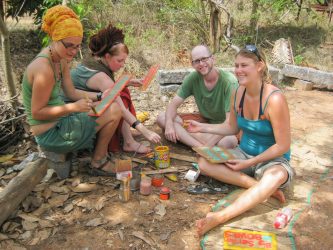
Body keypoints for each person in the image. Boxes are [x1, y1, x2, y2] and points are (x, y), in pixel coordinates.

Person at [187, 45, 295, 236]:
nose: (238, 70)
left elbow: (283, 145)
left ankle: (220, 216)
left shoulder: (275, 98)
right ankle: (257, 187)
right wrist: (202, 127)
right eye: (236, 65)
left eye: (244, 65)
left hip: (273, 160)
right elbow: (232, 128)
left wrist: (250, 162)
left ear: (259, 66)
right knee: (204, 162)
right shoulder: (238, 93)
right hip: (243, 153)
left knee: (275, 177)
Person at [22, 5, 122, 175]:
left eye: (77, 46)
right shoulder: (44, 69)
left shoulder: (60, 60)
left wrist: (100, 96)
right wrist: (73, 108)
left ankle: (97, 158)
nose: (74, 51)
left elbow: (71, 93)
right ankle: (98, 161)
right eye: (69, 45)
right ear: (55, 39)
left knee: (110, 106)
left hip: (61, 121)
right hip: (50, 133)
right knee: (114, 111)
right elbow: (37, 113)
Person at [69, 23, 161, 153]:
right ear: (107, 56)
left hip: (82, 107)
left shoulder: (95, 58)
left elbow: (104, 88)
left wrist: (128, 82)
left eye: (124, 61)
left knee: (121, 90)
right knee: (119, 100)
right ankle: (128, 142)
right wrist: (146, 132)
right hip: (74, 121)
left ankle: (126, 135)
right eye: (119, 61)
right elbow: (120, 108)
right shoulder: (101, 76)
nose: (122, 65)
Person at [157, 45, 238, 148]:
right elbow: (173, 105)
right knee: (162, 118)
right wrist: (169, 125)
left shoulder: (229, 82)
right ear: (192, 64)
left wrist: (209, 142)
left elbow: (229, 123)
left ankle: (185, 137)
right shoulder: (193, 78)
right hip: (203, 122)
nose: (201, 64)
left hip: (222, 128)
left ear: (213, 58)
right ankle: (198, 146)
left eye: (204, 59)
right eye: (197, 61)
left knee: (229, 142)